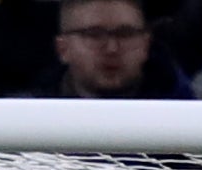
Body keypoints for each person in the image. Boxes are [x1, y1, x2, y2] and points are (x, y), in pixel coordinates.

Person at [31, 0, 191, 98]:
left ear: (146, 43)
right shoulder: (26, 125)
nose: (112, 48)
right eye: (94, 34)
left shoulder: (191, 122)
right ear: (62, 48)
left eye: (125, 34)